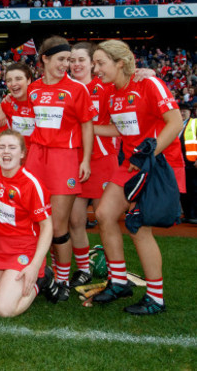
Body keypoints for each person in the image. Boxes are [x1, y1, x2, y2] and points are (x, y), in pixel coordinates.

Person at [92, 39, 184, 315]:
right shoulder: (110, 93)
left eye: (101, 63)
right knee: (105, 214)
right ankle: (119, 282)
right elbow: (117, 129)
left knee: (138, 226)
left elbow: (176, 122)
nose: (97, 69)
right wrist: (87, 128)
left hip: (157, 163)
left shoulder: (148, 84)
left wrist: (147, 154)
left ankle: (156, 298)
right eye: (94, 63)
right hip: (131, 164)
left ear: (120, 62)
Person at [24, 36, 96, 300]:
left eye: (68, 60)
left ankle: (63, 280)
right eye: (61, 59)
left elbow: (87, 125)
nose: (66, 65)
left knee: (58, 226)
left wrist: (85, 159)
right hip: (36, 158)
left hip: (64, 159)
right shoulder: (32, 89)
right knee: (35, 219)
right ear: (44, 59)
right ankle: (45, 272)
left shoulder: (77, 89)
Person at [0, 130, 59, 316]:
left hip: (25, 250)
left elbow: (47, 227)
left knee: (2, 309)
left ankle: (41, 279)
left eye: (12, 147)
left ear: (22, 153)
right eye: (2, 147)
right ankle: (8, 282)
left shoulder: (31, 184)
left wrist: (34, 264)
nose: (6, 152)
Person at [67, 42, 119, 288]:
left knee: (104, 219)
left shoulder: (106, 88)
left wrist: (86, 127)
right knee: (75, 220)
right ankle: (84, 269)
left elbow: (119, 127)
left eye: (81, 60)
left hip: (102, 162)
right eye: (72, 60)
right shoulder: (65, 90)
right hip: (73, 162)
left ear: (91, 63)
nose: (76, 64)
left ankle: (115, 274)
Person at [0, 63, 35, 151]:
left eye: (18, 79)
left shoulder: (40, 102)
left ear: (28, 80)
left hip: (38, 156)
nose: (13, 84)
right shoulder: (6, 103)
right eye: (9, 80)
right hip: (16, 156)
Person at [179, 103, 197, 224]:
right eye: (181, 111)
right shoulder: (176, 125)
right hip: (180, 163)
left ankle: (194, 215)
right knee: (184, 190)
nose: (183, 113)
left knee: (195, 189)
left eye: (185, 111)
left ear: (190, 112)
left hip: (193, 162)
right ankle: (187, 214)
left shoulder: (194, 123)